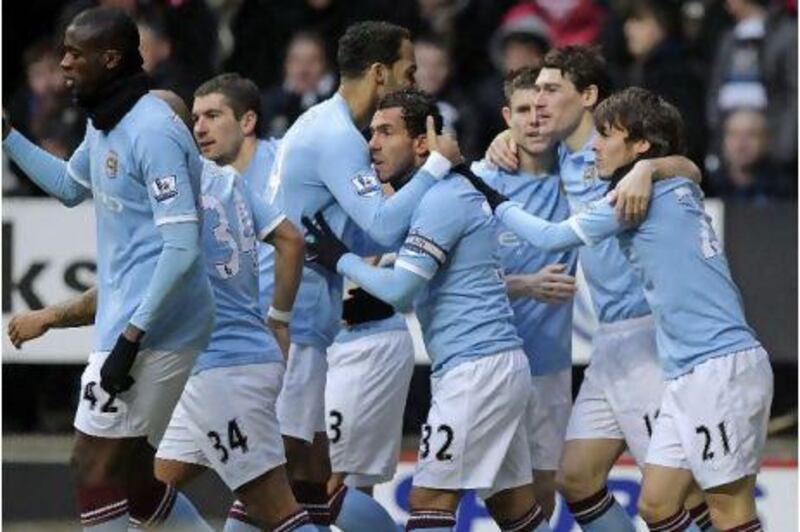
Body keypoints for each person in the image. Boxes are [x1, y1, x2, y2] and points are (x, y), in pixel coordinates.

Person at [471, 86, 774, 532]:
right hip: (686, 369)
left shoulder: (630, 201)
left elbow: (550, 238)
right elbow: (686, 166)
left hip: (719, 367)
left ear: (640, 145)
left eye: (606, 135)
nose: (595, 145)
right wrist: (650, 167)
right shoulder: (671, 182)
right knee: (656, 505)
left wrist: (483, 191)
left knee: (727, 509)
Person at [2, 7, 215, 530]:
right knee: (136, 482)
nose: (65, 62)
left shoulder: (153, 131)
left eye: (75, 53)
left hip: (154, 326)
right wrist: (7, 135)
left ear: (111, 58)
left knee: (92, 464)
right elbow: (71, 187)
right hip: (133, 320)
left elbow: (183, 249)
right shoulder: (108, 123)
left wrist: (131, 338)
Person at [305, 87, 551, 532]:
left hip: (477, 371)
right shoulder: (437, 196)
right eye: (370, 132)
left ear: (422, 143)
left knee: (428, 500)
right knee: (515, 512)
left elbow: (399, 292)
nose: (372, 143)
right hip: (487, 365)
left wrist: (338, 257)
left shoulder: (444, 199)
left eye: (386, 132)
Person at [267, 20, 461, 531]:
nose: (416, 81)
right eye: (408, 70)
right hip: (291, 320)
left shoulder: (326, 127)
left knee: (306, 470)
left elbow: (362, 237)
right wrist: (437, 170)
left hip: (307, 320)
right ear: (380, 73)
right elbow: (379, 223)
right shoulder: (335, 137)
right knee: (275, 469)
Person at [471, 65, 577, 519]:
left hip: (549, 366)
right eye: (522, 111)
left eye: (542, 109)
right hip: (486, 363)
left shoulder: (578, 177)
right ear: (505, 117)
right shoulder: (478, 182)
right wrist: (524, 285)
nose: (534, 120)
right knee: (490, 491)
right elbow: (459, 280)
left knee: (543, 488)